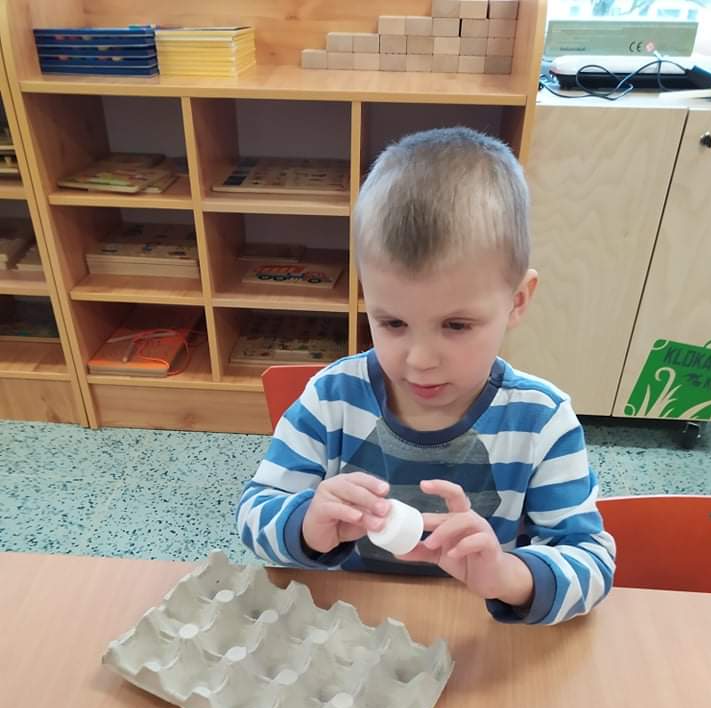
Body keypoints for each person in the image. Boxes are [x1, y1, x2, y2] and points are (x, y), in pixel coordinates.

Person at [237, 127, 615, 625]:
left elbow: (591, 561)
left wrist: (507, 575)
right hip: (352, 625)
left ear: (517, 301)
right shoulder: (332, 399)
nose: (419, 360)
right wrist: (308, 524)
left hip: (475, 629)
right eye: (392, 323)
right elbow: (254, 514)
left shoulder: (541, 422)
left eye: (456, 326)